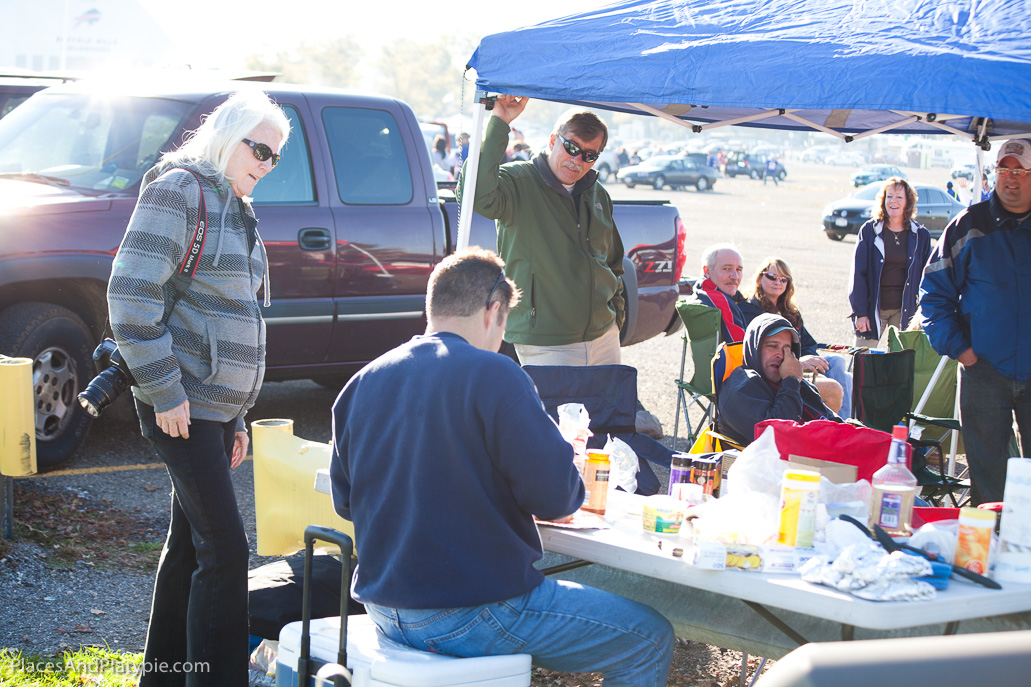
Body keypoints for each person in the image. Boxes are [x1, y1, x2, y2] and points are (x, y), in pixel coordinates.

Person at [329, 248, 675, 686]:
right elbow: (558, 498)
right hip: (470, 608)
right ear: (494, 310)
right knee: (648, 637)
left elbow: (347, 501)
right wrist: (561, 452)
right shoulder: (496, 374)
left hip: (381, 603)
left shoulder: (362, 381)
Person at [107, 90, 289, 686]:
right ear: (228, 134)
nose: (265, 162)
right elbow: (131, 297)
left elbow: (231, 309)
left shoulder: (235, 204)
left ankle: (160, 680)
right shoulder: (181, 189)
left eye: (275, 156)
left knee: (189, 550)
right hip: (179, 408)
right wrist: (164, 391)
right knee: (227, 553)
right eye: (258, 148)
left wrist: (235, 417)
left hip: (210, 411)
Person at [461, 94, 625, 367]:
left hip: (604, 335)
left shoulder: (598, 195)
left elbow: (613, 261)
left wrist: (616, 317)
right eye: (571, 148)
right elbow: (474, 194)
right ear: (552, 140)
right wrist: (500, 121)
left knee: (604, 411)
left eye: (589, 155)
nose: (578, 160)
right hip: (545, 341)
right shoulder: (518, 181)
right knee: (553, 411)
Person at [921, 138, 1031, 505]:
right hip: (984, 371)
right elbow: (933, 294)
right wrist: (962, 351)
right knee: (987, 474)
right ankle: (985, 552)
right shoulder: (967, 225)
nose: (1010, 178)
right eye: (1004, 169)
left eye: (1020, 170)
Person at [743, 257, 851, 417]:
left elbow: (809, 343)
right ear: (760, 278)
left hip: (801, 365)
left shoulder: (790, 311)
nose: (777, 282)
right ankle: (841, 426)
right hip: (778, 371)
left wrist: (808, 359)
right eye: (772, 277)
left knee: (838, 363)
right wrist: (797, 362)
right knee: (840, 381)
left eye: (783, 279)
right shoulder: (750, 309)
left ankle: (845, 422)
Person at [717, 313, 841, 447]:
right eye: (772, 346)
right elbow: (779, 435)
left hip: (820, 454)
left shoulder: (796, 384)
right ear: (755, 348)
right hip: (775, 464)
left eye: (787, 349)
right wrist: (791, 380)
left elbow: (832, 421)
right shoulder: (740, 389)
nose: (780, 354)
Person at [848, 177, 931, 348]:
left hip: (905, 309)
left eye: (899, 197)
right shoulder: (869, 231)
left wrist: (923, 312)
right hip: (872, 310)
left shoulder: (921, 235)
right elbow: (858, 274)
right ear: (883, 200)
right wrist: (860, 313)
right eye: (889, 196)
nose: (893, 201)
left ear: (908, 202)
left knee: (900, 365)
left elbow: (928, 277)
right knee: (863, 361)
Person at [690, 244, 747, 344]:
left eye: (739, 270)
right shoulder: (719, 301)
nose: (735, 276)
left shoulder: (699, 291)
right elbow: (740, 346)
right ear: (707, 271)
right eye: (726, 269)